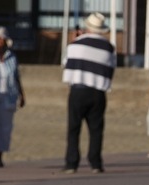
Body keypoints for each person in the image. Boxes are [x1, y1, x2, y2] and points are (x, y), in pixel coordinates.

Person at [61, 12, 115, 174]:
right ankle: (95, 163)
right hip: (97, 91)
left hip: (78, 89)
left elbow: (66, 63)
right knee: (96, 129)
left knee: (74, 128)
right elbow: (111, 67)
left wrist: (75, 40)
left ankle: (71, 163)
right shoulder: (108, 47)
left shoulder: (76, 44)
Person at [0, 27, 25, 168]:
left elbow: (17, 77)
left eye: (1, 39)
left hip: (8, 95)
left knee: (5, 127)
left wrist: (22, 95)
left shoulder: (12, 57)